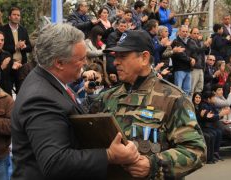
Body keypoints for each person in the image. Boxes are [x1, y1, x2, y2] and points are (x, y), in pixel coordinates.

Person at [11, 23, 139, 180]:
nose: (85, 63)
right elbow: (55, 162)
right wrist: (109, 155)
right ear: (59, 63)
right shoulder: (41, 99)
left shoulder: (48, 81)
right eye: (81, 58)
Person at [97, 30, 206, 179]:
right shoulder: (106, 97)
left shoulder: (173, 97)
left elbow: (195, 151)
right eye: (115, 56)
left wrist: (153, 165)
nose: (115, 62)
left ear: (144, 58)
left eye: (122, 56)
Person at [0, 6, 32, 93]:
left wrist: (24, 47)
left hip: (22, 65)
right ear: (9, 16)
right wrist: (15, 47)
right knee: (7, 91)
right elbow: (0, 47)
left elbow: (30, 47)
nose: (16, 17)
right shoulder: (2, 29)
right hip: (8, 64)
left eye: (18, 15)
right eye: (14, 14)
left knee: (22, 91)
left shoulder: (23, 30)